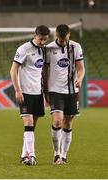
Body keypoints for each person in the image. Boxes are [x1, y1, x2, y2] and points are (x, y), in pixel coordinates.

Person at [10, 25, 50, 165]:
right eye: (41, 39)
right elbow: (13, 70)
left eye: (45, 39)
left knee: (32, 126)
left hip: (38, 93)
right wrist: (17, 89)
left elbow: (43, 73)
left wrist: (46, 92)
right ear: (35, 35)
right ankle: (32, 156)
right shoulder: (23, 49)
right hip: (25, 92)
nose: (43, 42)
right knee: (28, 123)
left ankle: (23, 155)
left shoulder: (44, 50)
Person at [45, 24, 85, 165]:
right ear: (56, 35)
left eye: (65, 39)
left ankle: (64, 155)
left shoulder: (76, 47)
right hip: (55, 90)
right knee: (57, 121)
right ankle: (56, 154)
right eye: (61, 40)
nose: (63, 42)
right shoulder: (49, 48)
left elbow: (81, 68)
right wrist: (45, 90)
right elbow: (45, 71)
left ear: (69, 34)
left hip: (72, 91)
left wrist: (79, 79)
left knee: (68, 123)